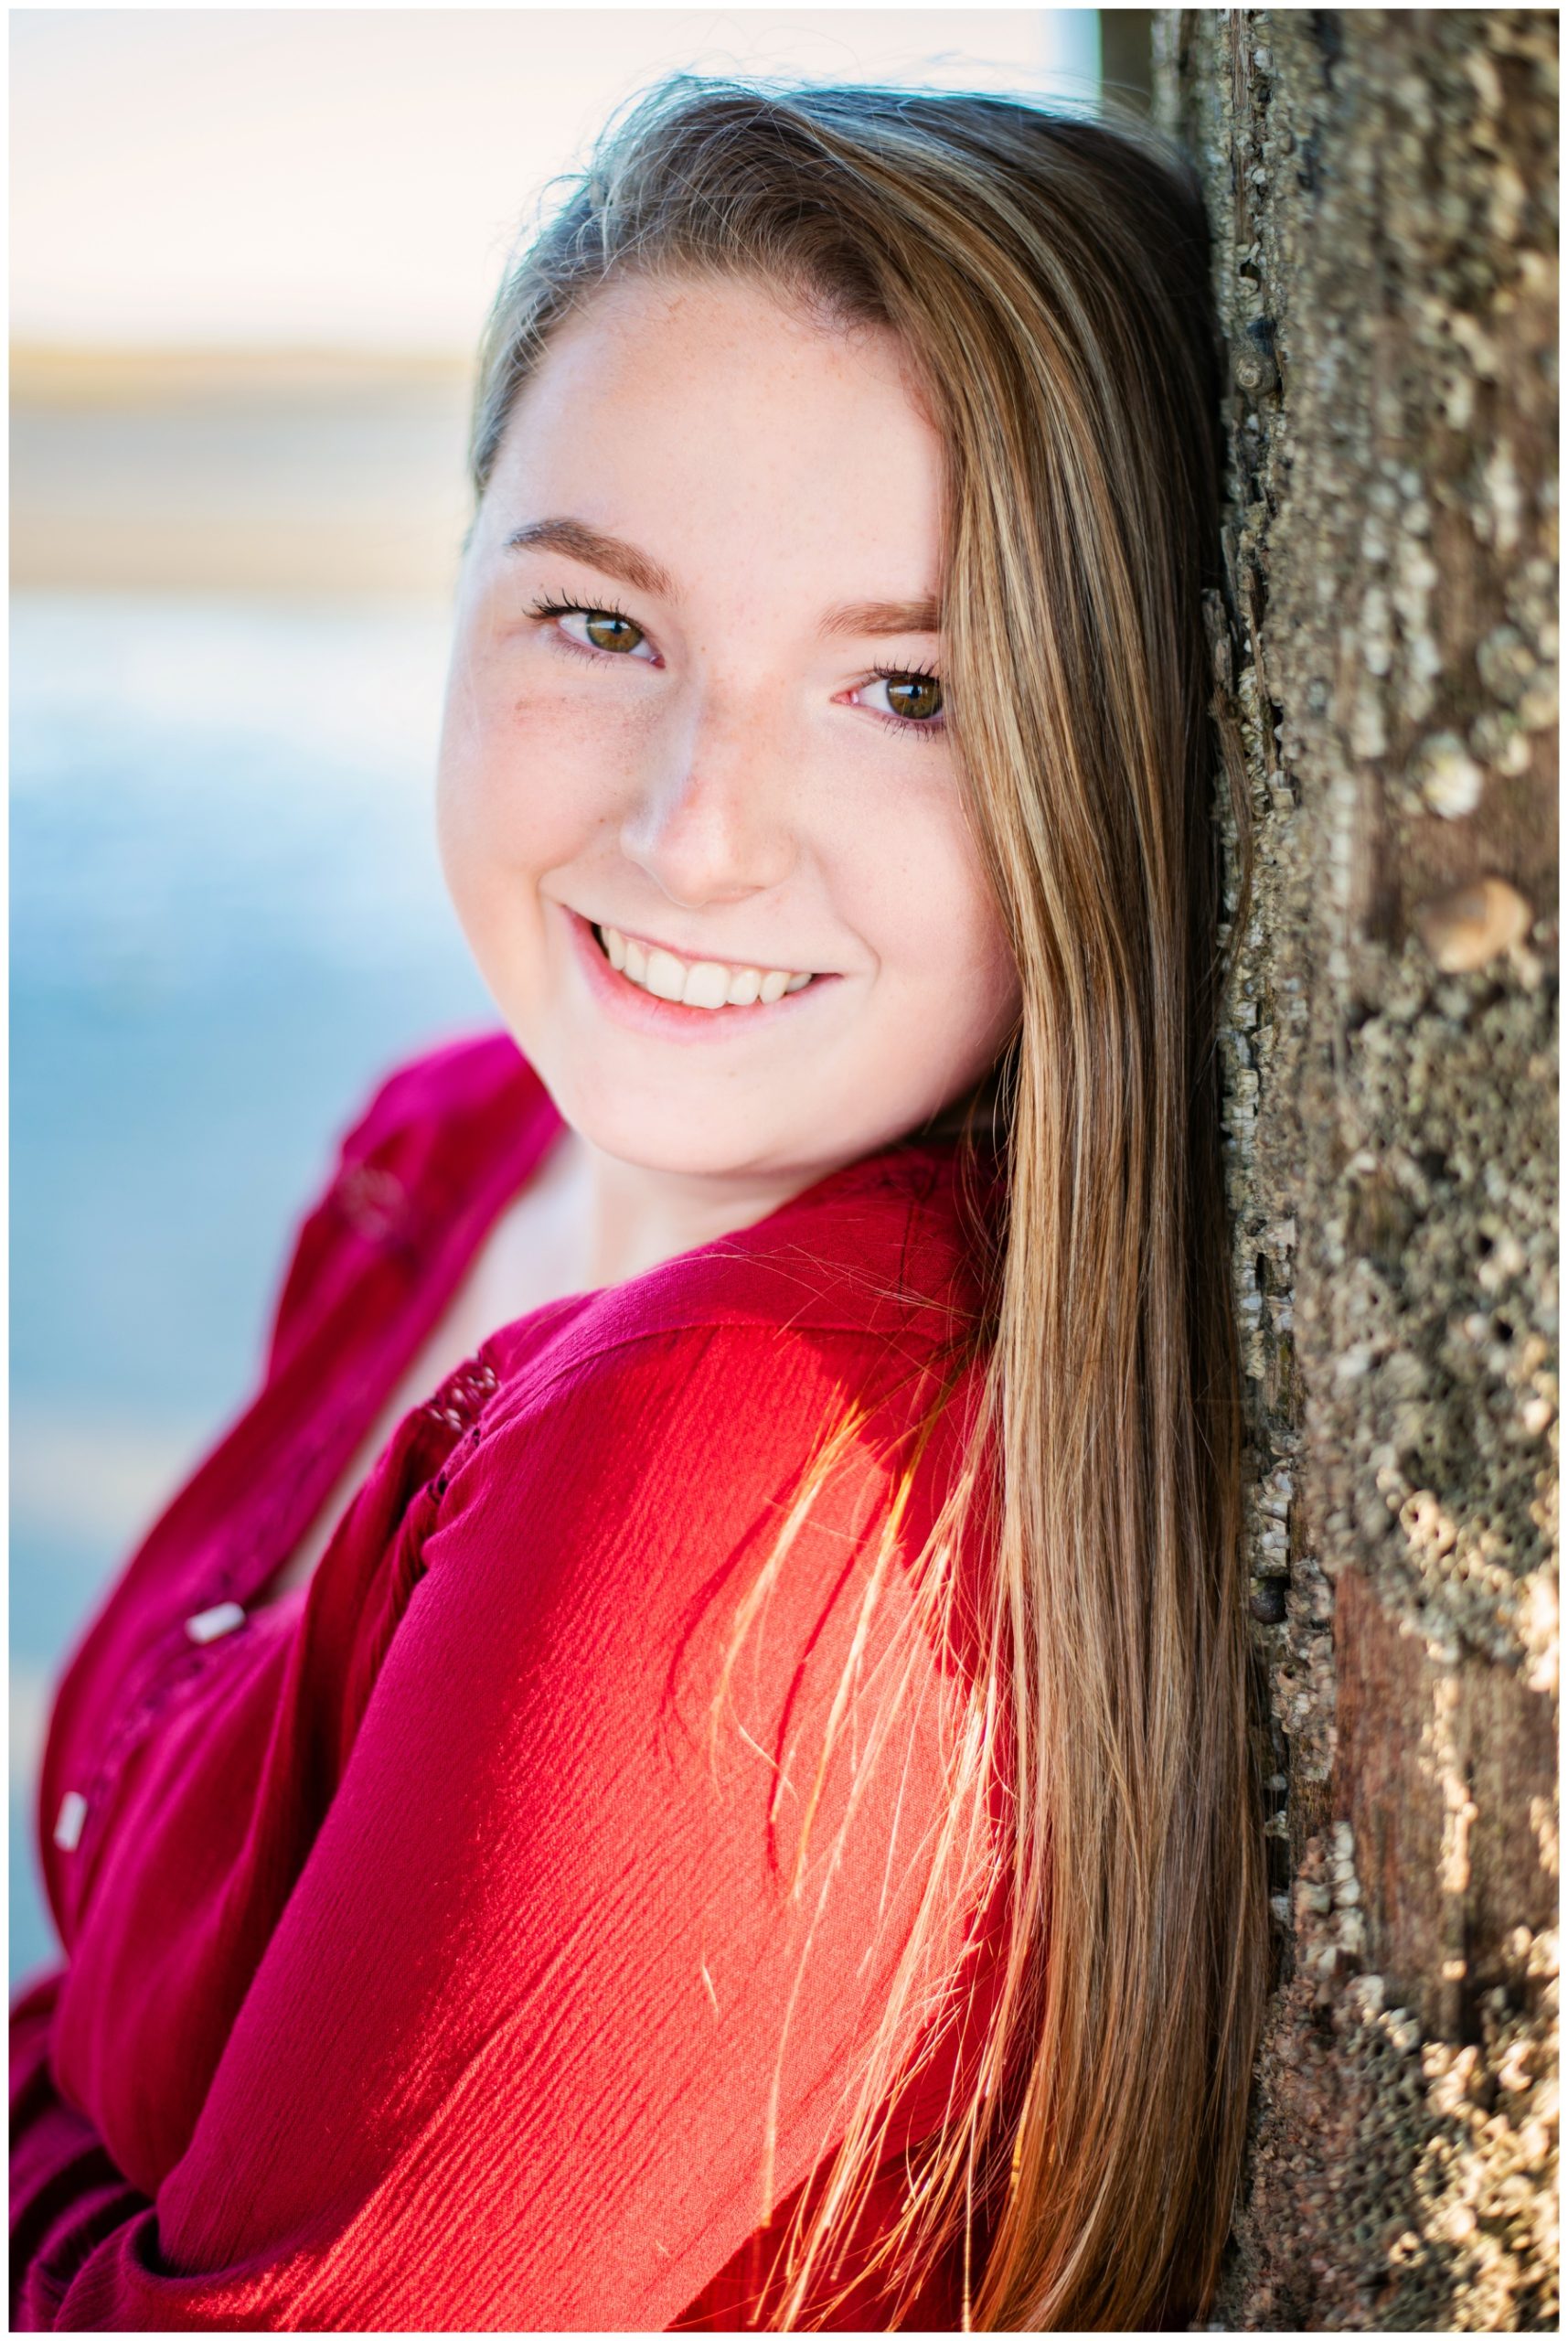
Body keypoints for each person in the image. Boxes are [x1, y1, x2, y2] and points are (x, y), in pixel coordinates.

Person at [10, 74, 1267, 2332]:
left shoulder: (736, 1466)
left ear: (1111, 761)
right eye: (602, 627)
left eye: (908, 690)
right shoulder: (457, 1141)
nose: (699, 835)